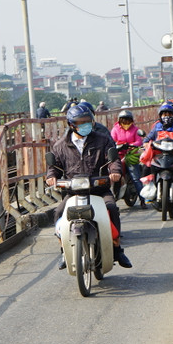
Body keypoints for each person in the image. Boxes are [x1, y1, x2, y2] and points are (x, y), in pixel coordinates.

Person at [46, 105, 132, 268]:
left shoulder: (103, 140)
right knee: (58, 213)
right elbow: (53, 166)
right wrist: (51, 177)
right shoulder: (60, 145)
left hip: (99, 189)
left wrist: (115, 172)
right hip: (73, 192)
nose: (85, 125)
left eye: (88, 121)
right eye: (81, 122)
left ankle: (118, 248)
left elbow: (113, 160)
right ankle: (63, 250)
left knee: (112, 208)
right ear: (71, 124)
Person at [111, 109, 146, 208]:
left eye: (128, 120)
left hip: (130, 155)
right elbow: (112, 140)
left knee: (136, 178)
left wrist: (131, 145)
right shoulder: (115, 129)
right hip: (119, 155)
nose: (126, 123)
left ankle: (142, 199)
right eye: (123, 120)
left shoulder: (135, 129)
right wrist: (119, 144)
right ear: (119, 121)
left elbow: (139, 141)